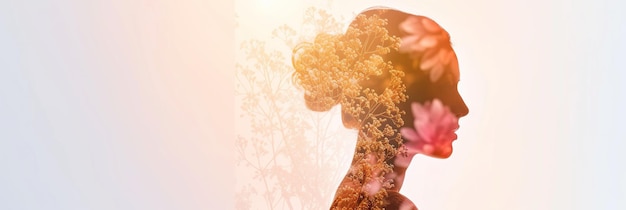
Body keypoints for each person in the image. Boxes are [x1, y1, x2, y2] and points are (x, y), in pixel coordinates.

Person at [292, 6, 469, 210]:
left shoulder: (351, 199)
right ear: (396, 94)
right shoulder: (387, 206)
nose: (462, 108)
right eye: (445, 87)